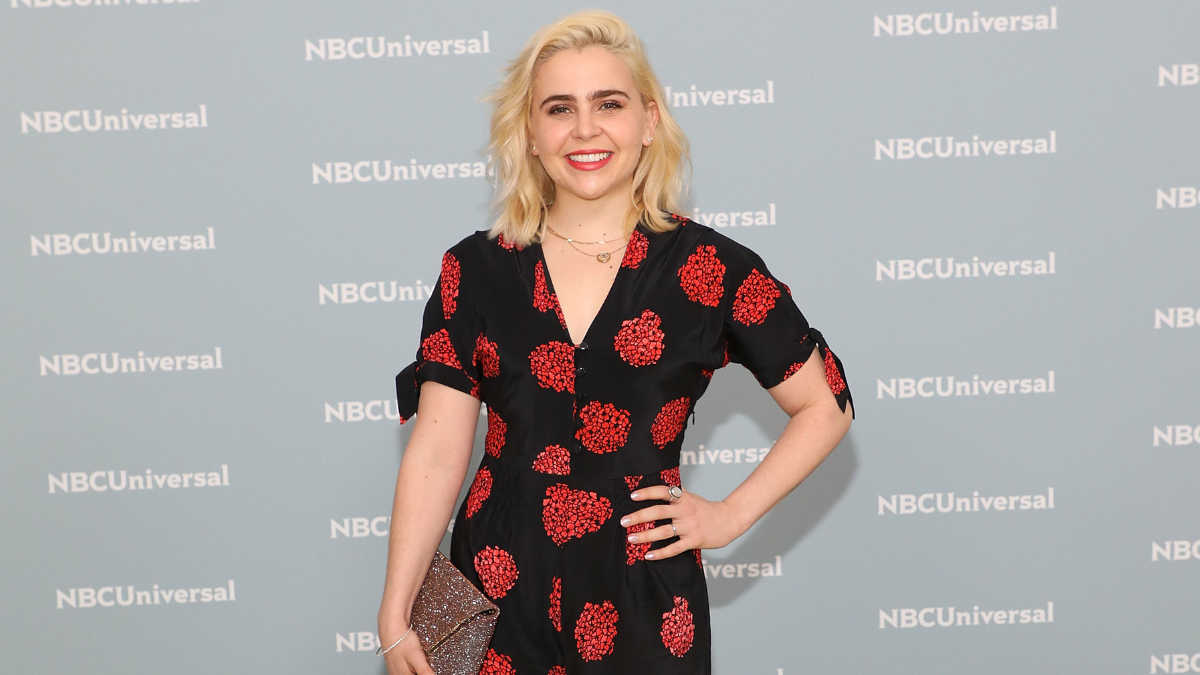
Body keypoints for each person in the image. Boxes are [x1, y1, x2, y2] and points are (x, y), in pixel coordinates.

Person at [377, 10, 853, 675]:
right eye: (559, 109)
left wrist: (727, 516)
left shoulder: (711, 268)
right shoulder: (475, 270)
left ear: (649, 122)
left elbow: (826, 401)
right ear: (531, 134)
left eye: (609, 103)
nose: (586, 128)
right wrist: (395, 612)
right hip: (496, 587)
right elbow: (434, 451)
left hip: (644, 594)